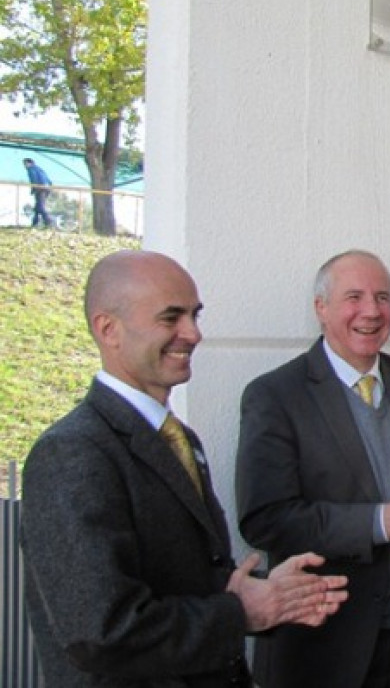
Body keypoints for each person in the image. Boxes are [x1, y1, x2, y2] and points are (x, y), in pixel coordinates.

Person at [20, 250, 349, 688]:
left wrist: (265, 591)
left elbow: (185, 579)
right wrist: (243, 612)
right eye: (170, 317)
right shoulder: (72, 453)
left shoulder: (181, 440)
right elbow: (102, 632)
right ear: (108, 329)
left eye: (195, 315)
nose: (193, 333)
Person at [236, 250, 390, 688]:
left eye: (383, 297)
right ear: (320, 308)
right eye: (354, 297)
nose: (371, 311)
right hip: (324, 644)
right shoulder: (275, 395)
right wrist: (381, 521)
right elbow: (266, 519)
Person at [23, 157, 54, 228]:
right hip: (46, 188)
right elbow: (49, 181)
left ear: (29, 163)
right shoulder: (39, 169)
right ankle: (35, 223)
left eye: (25, 164)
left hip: (40, 189)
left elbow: (34, 180)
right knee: (37, 207)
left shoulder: (31, 169)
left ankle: (49, 222)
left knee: (41, 207)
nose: (25, 166)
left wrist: (34, 189)